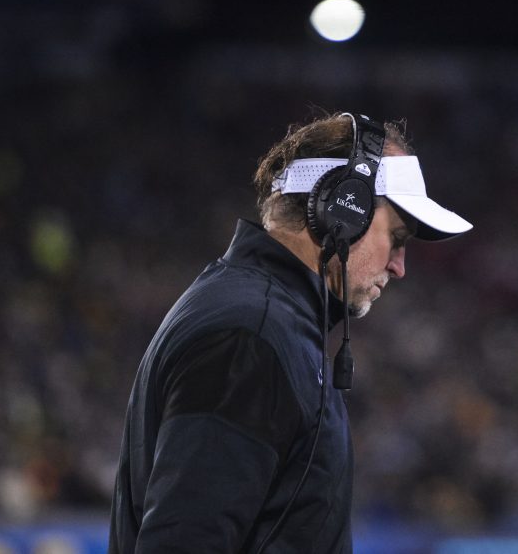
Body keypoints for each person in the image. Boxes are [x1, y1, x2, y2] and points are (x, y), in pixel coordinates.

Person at [108, 112, 472, 553]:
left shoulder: (263, 321)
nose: (399, 267)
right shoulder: (249, 337)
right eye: (395, 237)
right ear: (343, 209)